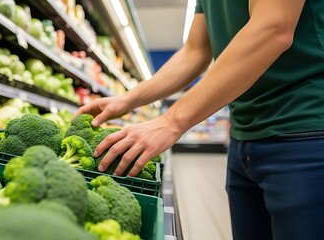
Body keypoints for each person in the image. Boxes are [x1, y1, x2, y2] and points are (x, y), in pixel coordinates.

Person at [76, 0, 324, 239]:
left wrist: (172, 120)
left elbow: (274, 27)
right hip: (243, 138)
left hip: (304, 134)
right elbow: (195, 51)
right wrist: (127, 100)